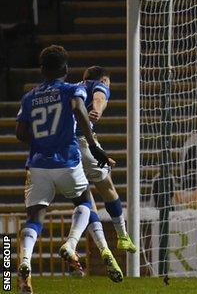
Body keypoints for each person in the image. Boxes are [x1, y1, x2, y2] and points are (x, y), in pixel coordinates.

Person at [15, 46, 122, 293]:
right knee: (85, 201)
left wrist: (43, 138)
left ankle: (24, 262)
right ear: (66, 69)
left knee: (34, 219)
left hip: (38, 165)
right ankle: (71, 243)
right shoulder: (72, 89)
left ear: (42, 69)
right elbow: (78, 108)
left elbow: (21, 133)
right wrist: (95, 149)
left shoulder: (28, 97)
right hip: (67, 161)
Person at [76, 66, 137, 253]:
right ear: (103, 80)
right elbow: (99, 98)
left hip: (59, 149)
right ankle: (123, 236)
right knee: (107, 188)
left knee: (83, 196)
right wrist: (97, 110)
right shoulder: (99, 85)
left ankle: (96, 246)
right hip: (82, 142)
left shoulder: (71, 88)